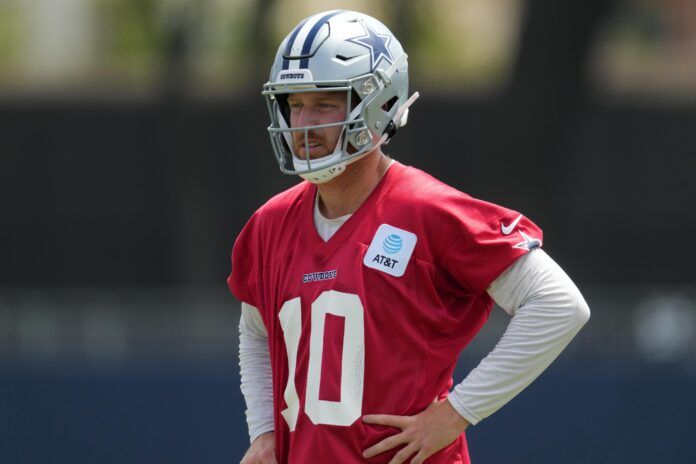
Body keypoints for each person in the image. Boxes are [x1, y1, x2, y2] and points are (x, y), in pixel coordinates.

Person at [229, 10, 590, 464]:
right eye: (294, 103)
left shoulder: (427, 212)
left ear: (377, 104)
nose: (302, 123)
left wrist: (458, 412)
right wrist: (264, 431)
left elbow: (559, 304)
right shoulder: (269, 224)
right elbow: (255, 329)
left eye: (324, 104)